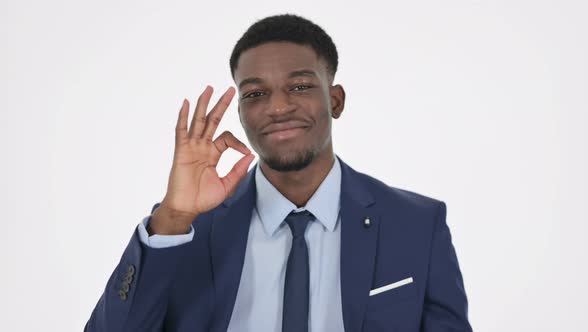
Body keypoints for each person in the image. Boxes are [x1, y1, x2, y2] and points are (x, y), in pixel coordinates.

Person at [85, 13, 472, 332]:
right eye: (255, 94)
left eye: (300, 86)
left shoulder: (417, 224)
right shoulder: (186, 231)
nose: (278, 107)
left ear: (335, 101)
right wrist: (172, 219)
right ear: (240, 113)